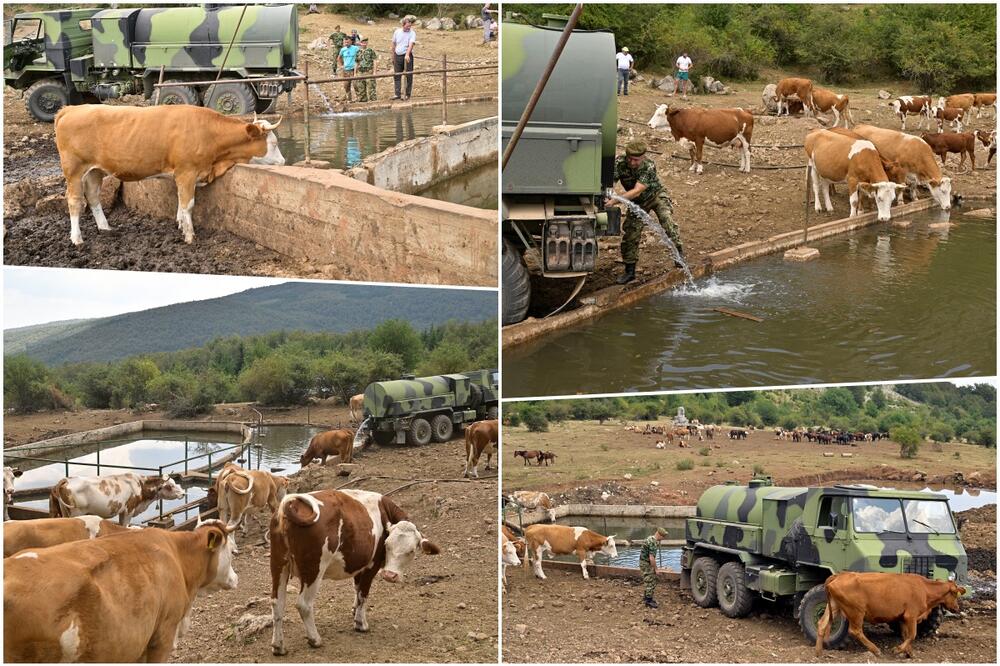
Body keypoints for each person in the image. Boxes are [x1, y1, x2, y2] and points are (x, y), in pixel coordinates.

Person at [606, 141, 683, 285]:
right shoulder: (620, 163)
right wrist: (608, 192)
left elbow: (637, 191)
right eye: (629, 158)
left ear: (643, 157)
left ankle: (679, 258)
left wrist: (613, 201)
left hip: (655, 197)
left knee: (667, 223)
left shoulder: (648, 166)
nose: (632, 162)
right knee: (631, 234)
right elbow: (610, 181)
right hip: (637, 203)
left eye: (636, 160)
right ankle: (630, 271)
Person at [639, 527, 669, 608]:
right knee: (650, 580)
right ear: (658, 534)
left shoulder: (649, 538)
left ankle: (646, 598)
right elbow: (651, 558)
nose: (663, 538)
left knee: (647, 579)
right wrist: (656, 569)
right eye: (662, 536)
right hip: (646, 563)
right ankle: (649, 601)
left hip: (643, 562)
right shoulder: (653, 543)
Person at [391, 17, 417, 100]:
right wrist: (393, 56)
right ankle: (397, 94)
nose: (409, 28)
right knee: (397, 75)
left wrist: (407, 54)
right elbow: (394, 44)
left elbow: (411, 44)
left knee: (409, 75)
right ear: (403, 25)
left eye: (410, 26)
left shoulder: (412, 33)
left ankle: (407, 94)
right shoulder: (397, 32)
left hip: (407, 55)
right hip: (397, 55)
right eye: (407, 26)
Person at [354, 36, 378, 102]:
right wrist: (355, 73)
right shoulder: (358, 52)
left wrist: (374, 72)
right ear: (360, 43)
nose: (364, 43)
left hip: (368, 72)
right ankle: (363, 101)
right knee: (361, 88)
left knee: (371, 88)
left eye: (365, 42)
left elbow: (375, 60)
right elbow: (356, 62)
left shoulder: (370, 51)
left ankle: (373, 101)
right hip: (360, 72)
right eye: (363, 42)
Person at [338, 35, 360, 102]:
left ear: (351, 42)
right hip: (346, 70)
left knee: (355, 84)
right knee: (346, 85)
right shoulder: (343, 49)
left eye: (347, 42)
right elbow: (339, 58)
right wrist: (341, 66)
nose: (346, 44)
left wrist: (358, 65)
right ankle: (349, 99)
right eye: (345, 42)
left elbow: (360, 57)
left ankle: (359, 98)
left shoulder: (356, 48)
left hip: (353, 69)